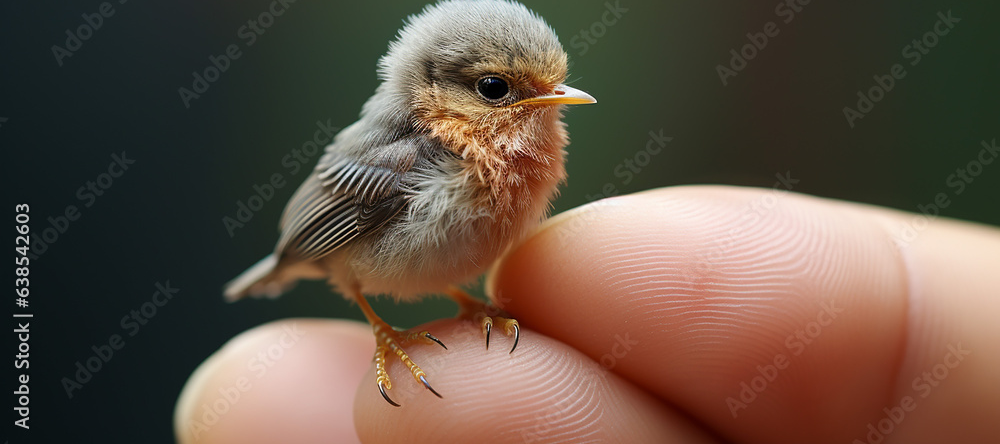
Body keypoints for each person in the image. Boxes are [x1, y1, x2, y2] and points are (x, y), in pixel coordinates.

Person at [174, 186, 1000, 443]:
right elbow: (337, 233)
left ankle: (461, 305)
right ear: (444, 97)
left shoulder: (522, 155)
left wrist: (468, 298)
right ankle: (387, 330)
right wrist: (356, 308)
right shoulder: (410, 157)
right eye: (499, 92)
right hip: (342, 258)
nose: (541, 103)